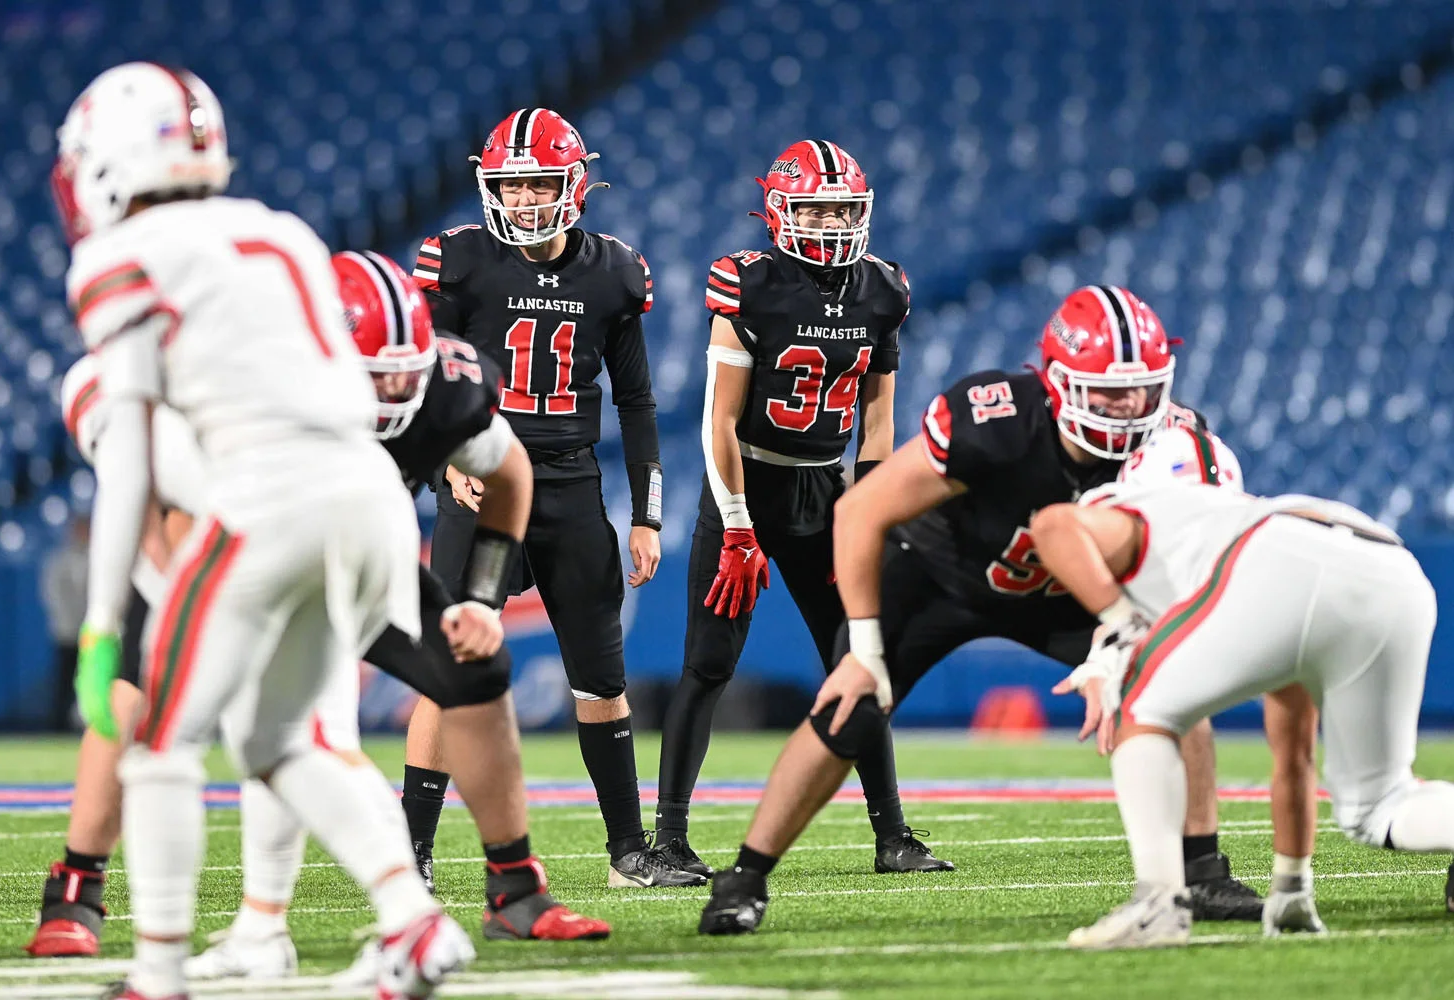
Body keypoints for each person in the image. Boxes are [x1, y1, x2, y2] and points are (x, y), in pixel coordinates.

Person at [54, 62, 471, 998]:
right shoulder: (276, 230)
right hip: (367, 489)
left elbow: (126, 463)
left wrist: (98, 626)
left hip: (268, 492)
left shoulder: (121, 258)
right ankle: (414, 923)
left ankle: (156, 973)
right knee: (286, 738)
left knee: (160, 741)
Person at [700, 285, 1260, 934]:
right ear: (1057, 383)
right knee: (849, 707)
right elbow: (860, 509)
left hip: (1067, 592)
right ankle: (746, 876)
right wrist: (863, 647)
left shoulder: (1172, 447)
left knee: (1172, 679)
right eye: (1104, 391)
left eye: (1138, 390)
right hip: (942, 574)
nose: (1124, 409)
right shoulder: (996, 417)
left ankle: (1204, 872)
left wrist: (1130, 639)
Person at [187, 251, 608, 984]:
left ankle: (514, 887)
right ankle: (264, 923)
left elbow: (509, 473)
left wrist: (480, 596)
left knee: (476, 667)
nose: (389, 389)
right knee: (284, 725)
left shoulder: (445, 387)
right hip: (260, 549)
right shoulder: (259, 391)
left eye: (400, 371)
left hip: (364, 546)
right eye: (369, 373)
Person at [410, 107, 699, 888]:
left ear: (575, 182)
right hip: (483, 477)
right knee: (448, 666)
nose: (528, 199)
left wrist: (645, 512)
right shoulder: (461, 261)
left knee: (601, 678)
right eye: (514, 184)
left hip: (572, 480)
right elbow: (424, 372)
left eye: (541, 182)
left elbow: (636, 403)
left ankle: (628, 854)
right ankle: (414, 856)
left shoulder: (613, 271)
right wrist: (443, 463)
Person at [1030, 425, 1454, 948]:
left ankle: (1157, 904)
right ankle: (1210, 896)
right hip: (1392, 568)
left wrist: (1121, 625)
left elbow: (1051, 525)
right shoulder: (1240, 523)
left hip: (1278, 560)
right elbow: (1293, 751)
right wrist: (1291, 888)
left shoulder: (1136, 509)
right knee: (1381, 806)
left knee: (1139, 702)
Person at [653, 139, 950, 877]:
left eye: (843, 207)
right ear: (780, 209)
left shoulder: (883, 289)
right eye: (815, 205)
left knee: (859, 659)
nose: (830, 220)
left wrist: (873, 510)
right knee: (708, 666)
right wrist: (738, 525)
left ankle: (893, 836)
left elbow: (878, 422)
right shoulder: (750, 285)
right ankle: (670, 838)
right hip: (746, 485)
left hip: (826, 493)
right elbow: (719, 422)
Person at [24, 359, 203, 958]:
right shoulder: (139, 415)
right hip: (228, 510)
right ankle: (76, 893)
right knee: (133, 705)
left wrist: (102, 623)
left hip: (294, 506)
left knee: (294, 735)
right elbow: (137, 504)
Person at [41, 514, 90, 730]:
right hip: (68, 631)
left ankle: (90, 724)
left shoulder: (95, 557)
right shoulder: (59, 559)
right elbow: (54, 596)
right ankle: (57, 725)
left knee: (92, 680)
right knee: (64, 681)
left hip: (91, 631)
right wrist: (68, 622)